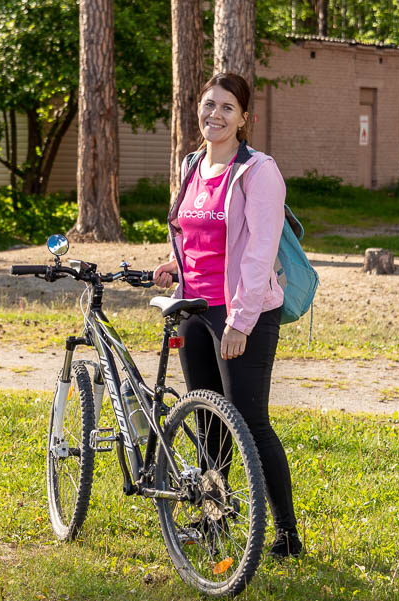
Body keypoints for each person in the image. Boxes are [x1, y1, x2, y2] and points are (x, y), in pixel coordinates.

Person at [153, 72, 302, 559]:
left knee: (250, 421)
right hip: (194, 309)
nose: (214, 115)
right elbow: (193, 233)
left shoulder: (259, 171)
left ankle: (285, 535)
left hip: (244, 312)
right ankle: (215, 517)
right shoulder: (191, 164)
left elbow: (258, 251)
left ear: (244, 120)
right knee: (209, 420)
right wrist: (174, 266)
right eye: (208, 104)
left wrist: (239, 321)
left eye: (226, 108)